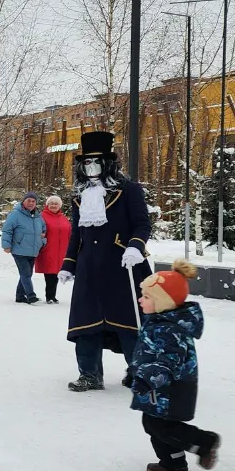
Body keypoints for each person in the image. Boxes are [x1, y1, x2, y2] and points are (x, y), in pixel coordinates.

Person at [59, 131, 153, 392]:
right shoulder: (79, 196)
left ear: (107, 164)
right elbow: (77, 233)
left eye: (96, 162)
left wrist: (135, 247)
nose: (90, 167)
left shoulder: (129, 190)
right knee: (85, 323)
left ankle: (138, 372)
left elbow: (143, 224)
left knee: (129, 324)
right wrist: (69, 263)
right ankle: (89, 375)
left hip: (124, 265)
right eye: (86, 163)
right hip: (89, 267)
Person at [130, 259, 221, 471]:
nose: (141, 300)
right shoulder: (158, 322)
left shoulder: (169, 330)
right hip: (158, 385)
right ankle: (174, 463)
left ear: (163, 302)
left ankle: (205, 442)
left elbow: (168, 361)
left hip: (172, 387)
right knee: (152, 424)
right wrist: (133, 373)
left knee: (162, 426)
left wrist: (145, 379)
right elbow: (149, 354)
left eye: (147, 297)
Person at [1, 192, 47, 304]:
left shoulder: (38, 216)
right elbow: (7, 230)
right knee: (26, 274)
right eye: (29, 201)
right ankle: (31, 295)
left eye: (33, 201)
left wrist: (42, 241)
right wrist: (6, 245)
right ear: (24, 201)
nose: (31, 203)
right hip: (19, 249)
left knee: (26, 274)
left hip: (33, 250)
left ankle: (20, 296)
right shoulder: (15, 214)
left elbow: (44, 230)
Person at [35, 195, 71, 304]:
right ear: (47, 205)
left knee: (56, 273)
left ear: (60, 206)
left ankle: (52, 296)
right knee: (50, 274)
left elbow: (69, 233)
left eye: (56, 204)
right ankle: (49, 296)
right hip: (48, 249)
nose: (53, 206)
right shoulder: (41, 217)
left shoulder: (63, 218)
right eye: (51, 204)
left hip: (61, 250)